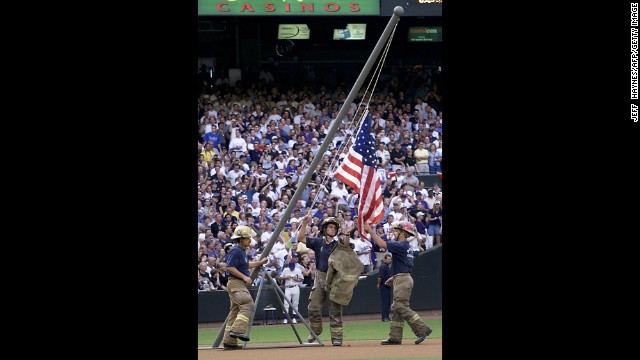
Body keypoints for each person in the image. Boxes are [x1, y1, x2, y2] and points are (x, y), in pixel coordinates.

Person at [364, 221, 432, 345]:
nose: (394, 232)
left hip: (403, 280)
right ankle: (395, 337)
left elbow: (381, 244)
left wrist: (370, 231)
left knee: (400, 306)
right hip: (403, 278)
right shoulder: (407, 247)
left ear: (402, 232)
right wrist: (395, 277)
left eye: (396, 230)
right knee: (397, 310)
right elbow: (405, 264)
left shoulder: (400, 245)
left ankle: (422, 329)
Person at [297, 214, 350, 346]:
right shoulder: (318, 242)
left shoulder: (339, 244)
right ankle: (315, 332)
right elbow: (301, 238)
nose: (333, 229)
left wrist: (347, 234)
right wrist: (304, 223)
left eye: (334, 227)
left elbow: (347, 247)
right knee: (313, 307)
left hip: (335, 279)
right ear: (324, 229)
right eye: (330, 227)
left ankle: (337, 338)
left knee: (335, 310)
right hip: (320, 277)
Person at [222, 226, 269, 350]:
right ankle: (237, 330)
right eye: (248, 237)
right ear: (241, 239)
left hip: (236, 283)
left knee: (235, 312)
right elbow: (229, 267)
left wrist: (259, 263)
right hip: (236, 282)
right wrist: (245, 277)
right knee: (248, 305)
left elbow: (245, 265)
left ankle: (229, 342)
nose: (250, 239)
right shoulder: (236, 250)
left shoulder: (241, 251)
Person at [377, 254, 393, 322]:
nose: (389, 260)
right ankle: (384, 317)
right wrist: (378, 284)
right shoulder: (383, 266)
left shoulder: (387, 266)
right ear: (385, 259)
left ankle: (387, 316)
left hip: (388, 286)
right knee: (385, 302)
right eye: (388, 259)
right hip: (384, 286)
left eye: (390, 259)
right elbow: (380, 277)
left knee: (388, 302)